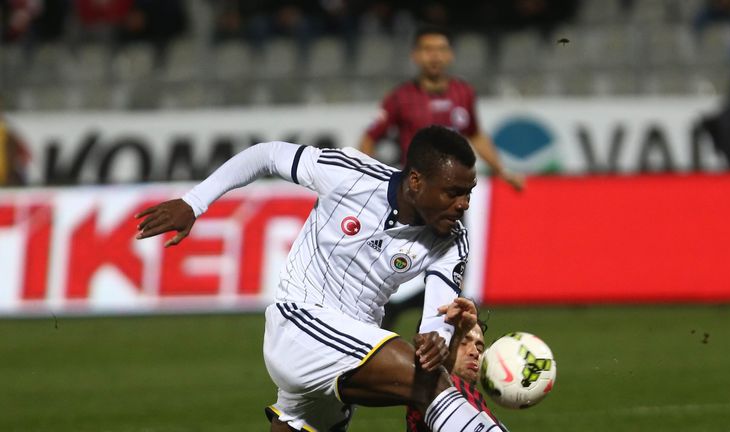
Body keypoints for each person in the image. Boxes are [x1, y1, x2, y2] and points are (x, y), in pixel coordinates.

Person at [135, 125, 505, 432]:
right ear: (415, 181)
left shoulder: (453, 239)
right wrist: (194, 203)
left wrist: (436, 341)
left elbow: (436, 313)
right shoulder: (351, 175)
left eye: (469, 193)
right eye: (453, 192)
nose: (464, 204)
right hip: (300, 324)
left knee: (426, 372)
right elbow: (265, 154)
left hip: (350, 349)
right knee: (427, 384)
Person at [358, 25, 524, 191]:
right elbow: (370, 138)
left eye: (441, 49)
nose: (435, 56)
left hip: (454, 190)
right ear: (415, 55)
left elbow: (475, 135)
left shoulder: (464, 93)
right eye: (427, 49)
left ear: (450, 55)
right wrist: (367, 179)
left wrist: (503, 171)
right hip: (416, 190)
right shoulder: (399, 97)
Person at [406, 313, 508, 431]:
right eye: (463, 342)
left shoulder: (473, 401)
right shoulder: (429, 389)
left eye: (479, 348)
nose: (475, 352)